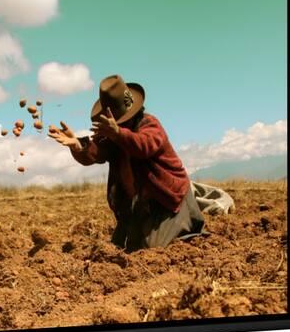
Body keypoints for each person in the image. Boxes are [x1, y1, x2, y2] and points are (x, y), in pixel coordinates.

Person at [48, 74, 205, 252]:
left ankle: (188, 226)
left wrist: (118, 133)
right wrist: (77, 145)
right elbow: (96, 153)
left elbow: (143, 146)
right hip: (138, 204)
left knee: (151, 250)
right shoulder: (112, 135)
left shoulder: (149, 124)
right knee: (121, 247)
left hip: (167, 200)